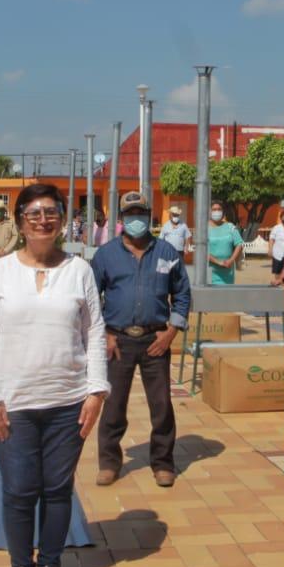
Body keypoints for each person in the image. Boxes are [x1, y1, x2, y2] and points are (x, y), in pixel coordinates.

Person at [0, 184, 109, 567]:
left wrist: (96, 391)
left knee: (56, 489)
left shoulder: (79, 271)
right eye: (33, 214)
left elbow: (95, 332)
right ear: (19, 222)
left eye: (51, 212)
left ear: (62, 220)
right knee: (19, 488)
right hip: (12, 402)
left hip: (68, 401)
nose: (43, 220)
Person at [91, 191, 191, 488]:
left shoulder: (167, 253)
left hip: (155, 340)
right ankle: (109, 462)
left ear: (149, 217)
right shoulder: (105, 255)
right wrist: (105, 335)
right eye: (130, 215)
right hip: (117, 341)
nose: (136, 220)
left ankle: (163, 463)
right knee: (113, 406)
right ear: (121, 220)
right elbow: (91, 298)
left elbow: (182, 294)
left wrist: (172, 330)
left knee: (161, 405)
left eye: (141, 214)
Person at [206, 205, 243, 285]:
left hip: (228, 271)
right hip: (210, 272)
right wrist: (218, 262)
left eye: (219, 209)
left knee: (227, 295)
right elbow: (201, 251)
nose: (217, 211)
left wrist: (231, 260)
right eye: (214, 209)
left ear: (223, 212)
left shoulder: (230, 227)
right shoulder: (204, 229)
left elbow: (239, 243)